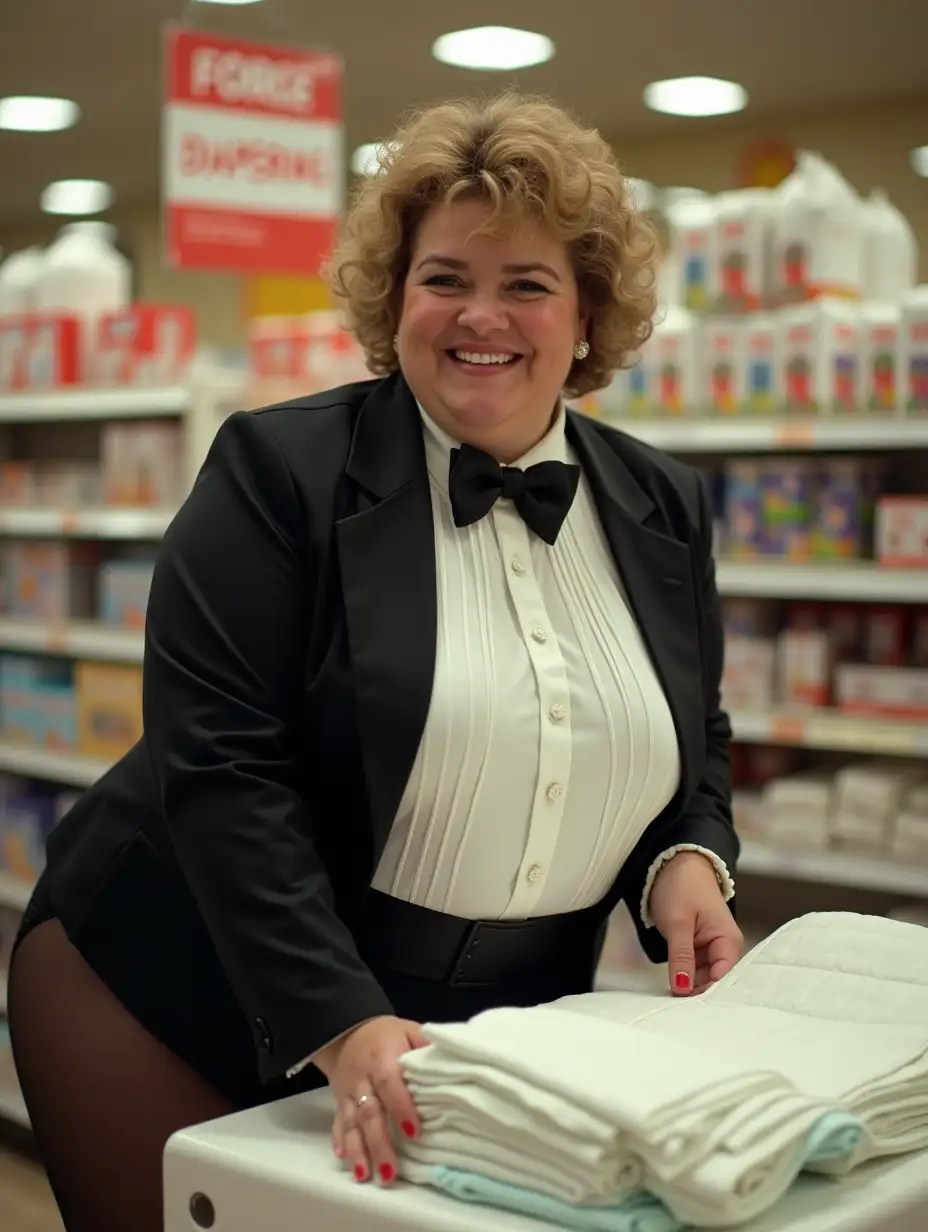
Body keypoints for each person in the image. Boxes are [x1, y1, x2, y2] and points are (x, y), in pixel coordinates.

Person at [8, 90, 743, 1232]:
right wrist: (338, 1015)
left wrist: (682, 858)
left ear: (587, 310)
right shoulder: (276, 472)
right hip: (179, 984)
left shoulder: (660, 502)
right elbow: (222, 770)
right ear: (394, 296)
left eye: (526, 283)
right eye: (444, 276)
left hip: (499, 1026)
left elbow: (688, 729)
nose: (478, 315)